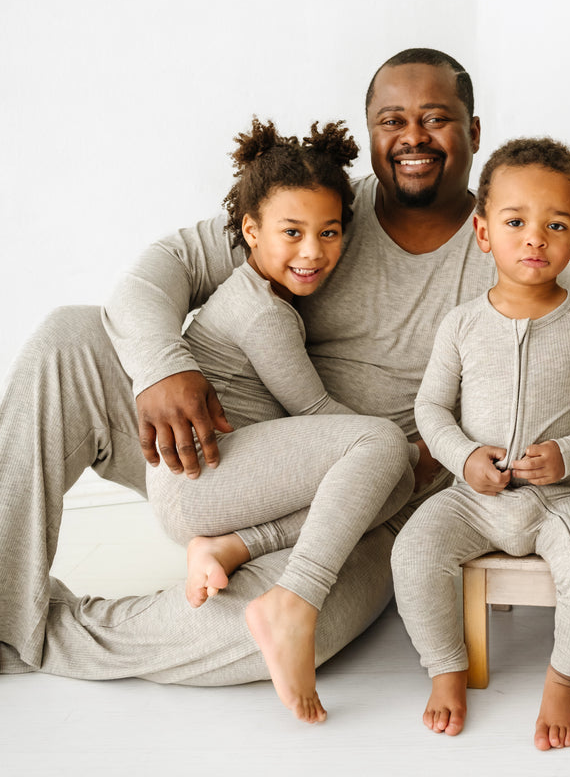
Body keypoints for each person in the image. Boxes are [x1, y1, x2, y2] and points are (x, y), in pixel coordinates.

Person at [0, 48, 498, 689]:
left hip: (368, 503)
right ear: (370, 131)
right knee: (68, 336)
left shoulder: (509, 245)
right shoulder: (319, 209)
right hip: (210, 446)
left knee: (276, 632)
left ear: (474, 132)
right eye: (392, 120)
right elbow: (161, 269)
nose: (413, 138)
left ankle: (36, 636)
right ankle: (7, 605)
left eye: (436, 119)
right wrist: (162, 367)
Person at [145, 117, 416, 723]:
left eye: (329, 232)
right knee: (383, 453)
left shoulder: (270, 299)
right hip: (200, 481)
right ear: (250, 230)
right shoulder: (262, 313)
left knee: (386, 473)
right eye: (291, 233)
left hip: (224, 482)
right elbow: (315, 412)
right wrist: (406, 447)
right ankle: (291, 603)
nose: (313, 252)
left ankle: (230, 548)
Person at [392, 138, 570, 751]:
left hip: (562, 499)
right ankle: (446, 667)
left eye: (555, 224)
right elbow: (429, 407)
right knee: (413, 554)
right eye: (515, 222)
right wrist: (464, 458)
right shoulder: (461, 325)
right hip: (473, 498)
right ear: (483, 233)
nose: (535, 238)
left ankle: (564, 681)